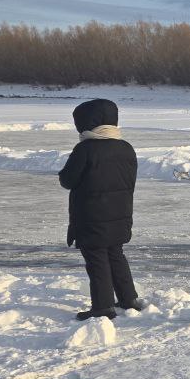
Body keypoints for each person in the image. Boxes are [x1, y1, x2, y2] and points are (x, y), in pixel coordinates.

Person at [58, 99, 145, 320]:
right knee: (115, 254)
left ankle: (103, 307)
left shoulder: (85, 149)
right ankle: (128, 299)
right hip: (120, 214)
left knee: (96, 259)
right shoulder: (126, 148)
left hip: (91, 216)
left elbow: (68, 180)